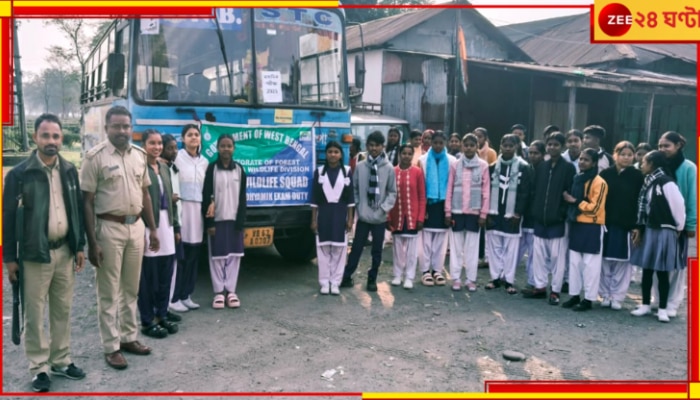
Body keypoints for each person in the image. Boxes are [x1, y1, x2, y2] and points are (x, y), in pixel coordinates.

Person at [2, 114, 87, 392]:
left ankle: (61, 360)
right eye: (46, 136)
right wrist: (10, 259)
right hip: (33, 255)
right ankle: (39, 367)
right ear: (36, 138)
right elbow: (8, 218)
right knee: (35, 314)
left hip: (64, 251)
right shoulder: (19, 174)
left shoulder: (69, 170)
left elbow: (76, 210)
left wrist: (79, 246)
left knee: (62, 310)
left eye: (56, 136)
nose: (51, 141)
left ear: (62, 139)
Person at [80, 105, 159, 370]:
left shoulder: (139, 155)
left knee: (130, 288)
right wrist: (92, 242)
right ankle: (111, 346)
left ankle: (128, 337)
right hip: (108, 228)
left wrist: (153, 229)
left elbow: (145, 194)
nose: (122, 130)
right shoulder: (95, 157)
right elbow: (87, 202)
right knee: (108, 291)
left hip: (135, 227)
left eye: (126, 126)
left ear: (131, 127)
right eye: (116, 126)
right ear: (107, 128)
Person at [630, 151, 685, 323]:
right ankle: (645, 304)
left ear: (653, 164)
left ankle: (662, 308)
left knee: (662, 272)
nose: (641, 165)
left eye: (645, 162)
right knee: (647, 270)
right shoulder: (648, 182)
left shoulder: (665, 183)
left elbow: (678, 207)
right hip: (649, 229)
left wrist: (679, 227)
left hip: (663, 230)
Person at [523, 132, 576, 305]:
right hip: (540, 219)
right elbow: (536, 191)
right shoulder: (542, 167)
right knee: (538, 256)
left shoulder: (568, 168)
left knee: (557, 258)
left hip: (557, 221)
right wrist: (536, 211)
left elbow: (569, 192)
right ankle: (539, 287)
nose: (552, 147)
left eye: (556, 144)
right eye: (550, 144)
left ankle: (555, 290)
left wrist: (561, 213)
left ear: (562, 147)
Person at [341, 131, 397, 292]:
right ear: (367, 146)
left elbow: (392, 192)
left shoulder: (388, 168)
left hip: (379, 217)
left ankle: (372, 278)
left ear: (383, 147)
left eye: (377, 145)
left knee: (377, 251)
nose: (374, 149)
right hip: (364, 216)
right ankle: (347, 275)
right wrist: (359, 206)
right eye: (371, 145)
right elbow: (355, 188)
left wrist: (384, 209)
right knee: (357, 248)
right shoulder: (360, 167)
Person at [137, 130, 180, 338]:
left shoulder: (163, 167)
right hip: (148, 226)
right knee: (148, 276)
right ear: (143, 145)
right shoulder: (139, 167)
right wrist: (150, 228)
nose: (156, 147)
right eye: (151, 143)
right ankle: (147, 319)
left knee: (165, 272)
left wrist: (176, 226)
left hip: (167, 225)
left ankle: (162, 313)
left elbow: (171, 199)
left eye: (159, 143)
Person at [201, 134, 247, 309]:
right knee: (217, 257)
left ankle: (231, 291)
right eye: (223, 146)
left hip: (234, 221)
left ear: (233, 148)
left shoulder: (239, 170)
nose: (226, 149)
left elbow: (243, 198)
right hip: (217, 221)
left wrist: (241, 222)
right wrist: (210, 223)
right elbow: (206, 197)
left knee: (234, 256)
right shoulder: (211, 169)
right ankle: (219, 292)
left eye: (229, 146)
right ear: (218, 148)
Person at [597, 141, 644, 310]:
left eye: (629, 155)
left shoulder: (638, 176)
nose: (626, 158)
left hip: (626, 226)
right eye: (622, 154)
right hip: (606, 224)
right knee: (603, 262)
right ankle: (604, 295)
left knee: (623, 264)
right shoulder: (606, 174)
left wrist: (638, 226)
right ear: (615, 154)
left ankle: (617, 297)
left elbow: (641, 203)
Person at [560, 148, 608, 311]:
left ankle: (588, 299)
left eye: (586, 160)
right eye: (580, 159)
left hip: (592, 226)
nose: (582, 162)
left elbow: (595, 208)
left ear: (594, 163)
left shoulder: (599, 182)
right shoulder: (577, 178)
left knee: (590, 265)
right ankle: (574, 295)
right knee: (574, 263)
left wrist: (575, 201)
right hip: (576, 223)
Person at [655, 131, 696, 317]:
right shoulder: (658, 167)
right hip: (658, 224)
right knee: (658, 264)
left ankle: (672, 303)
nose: (663, 149)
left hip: (678, 225)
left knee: (677, 266)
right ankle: (658, 300)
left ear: (678, 145)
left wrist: (689, 225)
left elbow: (692, 198)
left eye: (667, 146)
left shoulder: (688, 168)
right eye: (660, 146)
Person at [484, 134, 531, 294]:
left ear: (516, 147)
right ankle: (495, 278)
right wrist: (487, 213)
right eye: (505, 145)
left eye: (511, 145)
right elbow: (487, 192)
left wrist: (518, 214)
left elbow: (525, 193)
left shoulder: (524, 167)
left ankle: (509, 280)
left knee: (511, 249)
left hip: (513, 215)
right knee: (494, 247)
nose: (508, 148)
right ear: (501, 146)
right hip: (494, 212)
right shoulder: (492, 167)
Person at [170, 124, 209, 313]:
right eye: (190, 135)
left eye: (196, 134)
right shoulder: (177, 158)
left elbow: (207, 188)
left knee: (194, 255)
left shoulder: (204, 162)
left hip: (198, 211)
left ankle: (186, 295)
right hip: (182, 209)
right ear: (183, 138)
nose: (194, 138)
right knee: (181, 255)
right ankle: (174, 297)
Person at [445, 134, 490, 292]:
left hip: (474, 213)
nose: (469, 148)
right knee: (456, 248)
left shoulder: (483, 165)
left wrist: (483, 214)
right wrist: (448, 211)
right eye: (466, 145)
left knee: (472, 249)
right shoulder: (455, 165)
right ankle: (456, 278)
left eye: (472, 145)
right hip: (457, 212)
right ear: (462, 147)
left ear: (477, 147)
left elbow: (486, 191)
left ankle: (471, 279)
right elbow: (449, 188)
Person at [311, 141, 355, 295]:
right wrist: (313, 220)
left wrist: (350, 219)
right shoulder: (319, 171)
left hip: (340, 215)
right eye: (330, 152)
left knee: (339, 250)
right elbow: (315, 199)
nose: (333, 154)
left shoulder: (347, 171)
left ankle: (335, 282)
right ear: (326, 154)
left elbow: (350, 200)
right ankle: (324, 282)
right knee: (323, 250)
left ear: (341, 155)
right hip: (324, 215)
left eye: (336, 152)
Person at [417, 132, 457, 286]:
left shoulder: (453, 161)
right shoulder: (423, 160)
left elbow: (453, 185)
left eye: (441, 143)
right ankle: (425, 271)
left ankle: (437, 270)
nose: (438, 146)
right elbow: (421, 186)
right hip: (428, 204)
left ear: (445, 143)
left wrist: (449, 209)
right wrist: (423, 209)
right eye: (436, 143)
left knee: (441, 240)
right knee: (426, 240)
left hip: (444, 205)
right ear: (431, 143)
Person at [387, 145, 426, 289]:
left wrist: (420, 218)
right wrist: (388, 216)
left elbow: (422, 197)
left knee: (411, 250)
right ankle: (397, 274)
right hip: (397, 216)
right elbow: (388, 196)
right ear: (399, 154)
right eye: (404, 153)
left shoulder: (417, 172)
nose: (406, 156)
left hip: (412, 217)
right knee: (397, 249)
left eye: (410, 154)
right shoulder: (393, 171)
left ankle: (409, 276)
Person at [159, 134, 184, 324]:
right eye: (170, 148)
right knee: (161, 268)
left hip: (175, 222)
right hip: (162, 225)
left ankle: (167, 306)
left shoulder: (172, 168)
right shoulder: (159, 169)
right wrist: (170, 199)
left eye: (176, 148)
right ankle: (161, 307)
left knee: (173, 265)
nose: (173, 151)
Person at [517, 140, 545, 288]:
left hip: (536, 216)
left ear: (543, 154)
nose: (533, 156)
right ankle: (505, 276)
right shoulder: (526, 168)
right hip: (524, 214)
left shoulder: (545, 170)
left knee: (534, 252)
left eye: (536, 153)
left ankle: (533, 281)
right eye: (531, 153)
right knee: (518, 248)